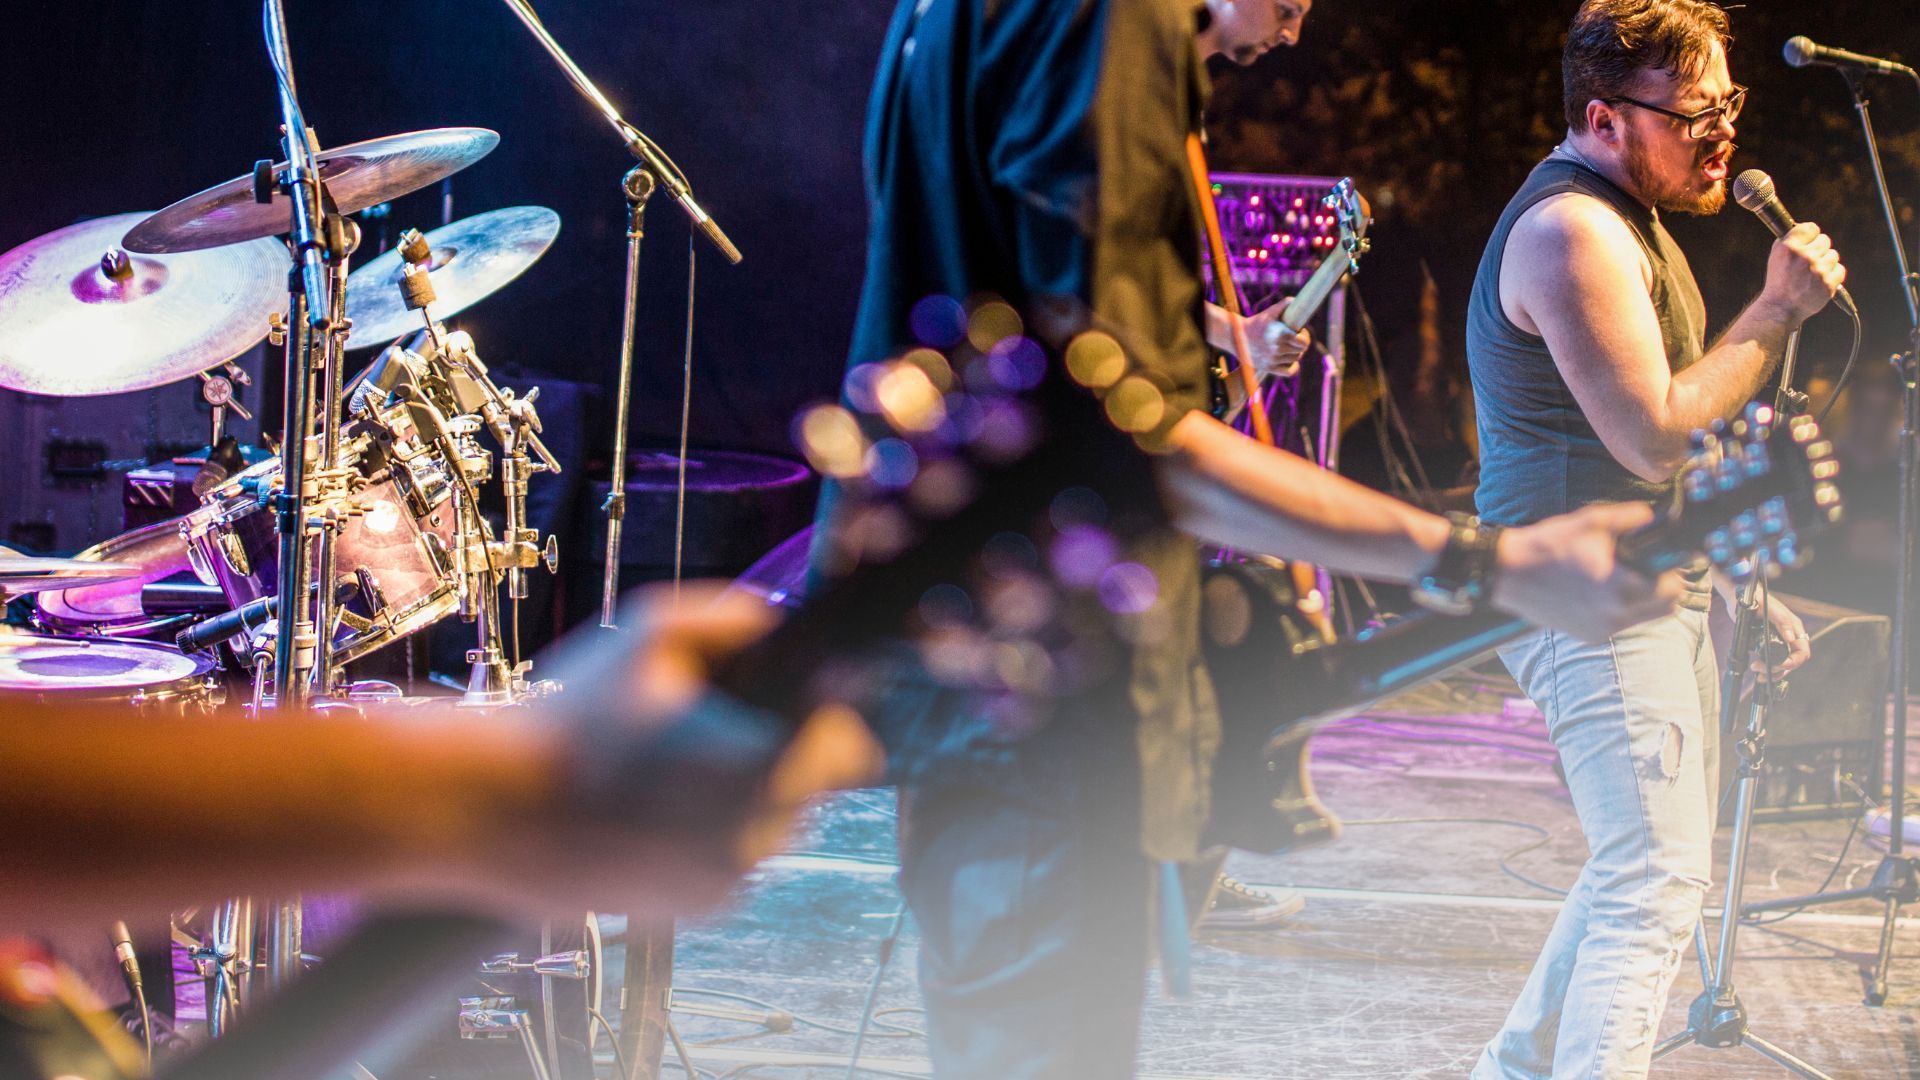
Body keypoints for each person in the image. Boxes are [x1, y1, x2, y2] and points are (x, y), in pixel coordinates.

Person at [817, 0, 1685, 1074]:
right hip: (1048, 692)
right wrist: (1484, 559)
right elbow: (1135, 445)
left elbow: (1033, 325)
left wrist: (1213, 336)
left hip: (975, 668)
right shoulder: (1111, 29)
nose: (1296, 22)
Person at [1463, 2, 1845, 1076]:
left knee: (1634, 864)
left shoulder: (1631, 222)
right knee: (1654, 880)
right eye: (1696, 111)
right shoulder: (1570, 231)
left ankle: (1516, 1069)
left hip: (1639, 587)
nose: (1725, 130)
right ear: (1606, 116)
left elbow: (1668, 464)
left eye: (1731, 101)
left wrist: (1736, 587)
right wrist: (1773, 314)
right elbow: (1652, 438)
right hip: (1579, 595)